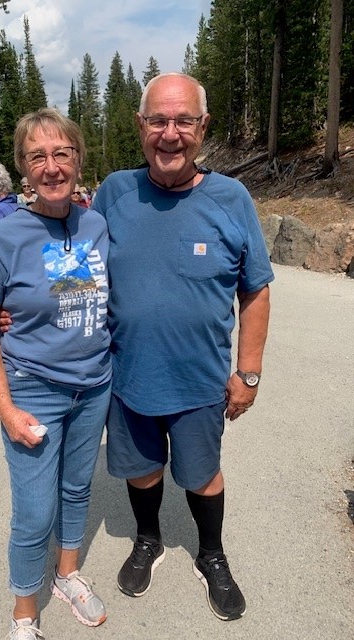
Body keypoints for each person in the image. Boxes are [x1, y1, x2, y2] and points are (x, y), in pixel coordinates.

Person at [92, 73, 274, 622]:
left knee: (201, 474)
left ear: (203, 126)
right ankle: (147, 538)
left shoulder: (231, 198)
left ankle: (211, 553)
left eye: (183, 121)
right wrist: (22, 305)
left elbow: (255, 289)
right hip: (128, 377)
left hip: (200, 381)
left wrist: (248, 373)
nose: (170, 134)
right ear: (140, 125)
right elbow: (78, 268)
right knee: (141, 470)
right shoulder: (114, 192)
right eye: (158, 120)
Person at [0, 108, 111, 640]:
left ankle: (66, 574)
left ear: (78, 160)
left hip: (94, 384)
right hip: (33, 389)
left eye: (61, 153)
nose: (51, 167)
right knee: (34, 508)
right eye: (37, 156)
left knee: (76, 487)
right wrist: (5, 408)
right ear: (23, 169)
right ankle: (24, 611)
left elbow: (84, 297)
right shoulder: (3, 237)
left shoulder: (96, 224)